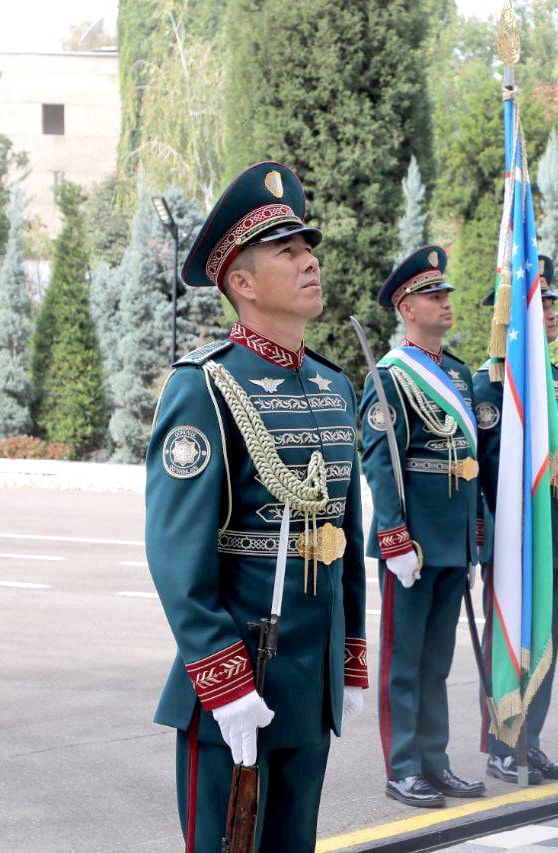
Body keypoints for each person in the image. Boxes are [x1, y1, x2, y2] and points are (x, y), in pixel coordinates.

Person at [145, 162, 367, 851]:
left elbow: (342, 534)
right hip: (243, 680)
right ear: (240, 282)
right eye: (288, 251)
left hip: (310, 681)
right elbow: (177, 554)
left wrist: (351, 654)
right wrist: (222, 678)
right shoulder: (204, 386)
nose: (310, 262)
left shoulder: (333, 385)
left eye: (309, 248)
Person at [359, 245, 484, 807]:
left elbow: (472, 461)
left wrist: (473, 539)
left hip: (452, 539)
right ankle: (403, 765)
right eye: (434, 296)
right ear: (407, 306)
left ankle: (435, 761)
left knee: (436, 662)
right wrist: (393, 537)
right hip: (412, 542)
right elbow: (381, 461)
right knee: (403, 661)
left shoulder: (458, 374)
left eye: (446, 294)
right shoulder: (390, 376)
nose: (445, 303)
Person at [474, 257, 558, 783]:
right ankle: (502, 741)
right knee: (509, 637)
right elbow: (488, 469)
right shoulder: (490, 382)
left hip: (554, 531)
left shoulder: (557, 383)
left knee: (546, 637)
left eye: (550, 304)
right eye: (538, 305)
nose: (549, 313)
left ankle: (532, 739)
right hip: (516, 537)